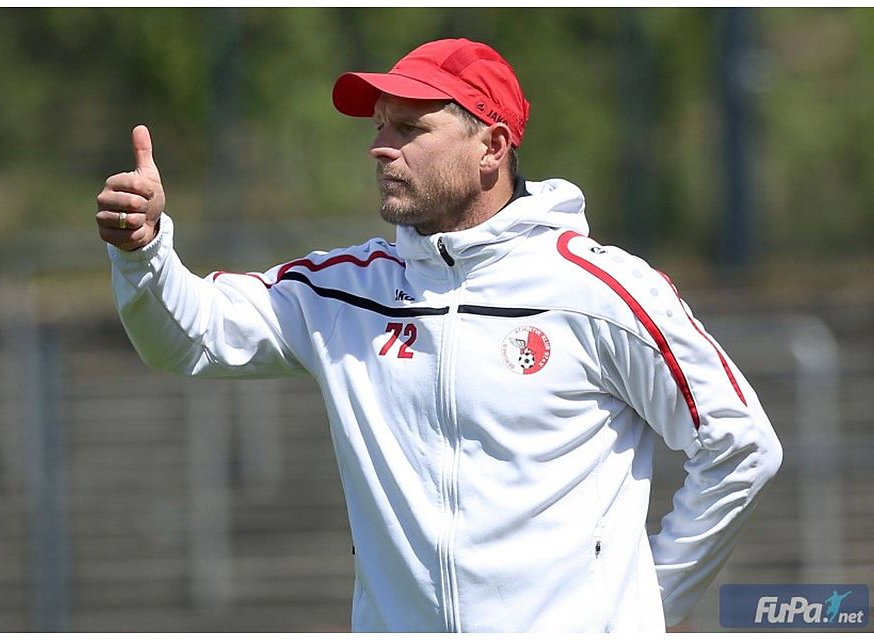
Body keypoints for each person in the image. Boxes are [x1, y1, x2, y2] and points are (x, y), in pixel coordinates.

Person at [96, 38, 782, 632]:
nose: (380, 146)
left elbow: (741, 443)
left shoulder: (600, 290)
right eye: (378, 126)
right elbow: (189, 337)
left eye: (409, 128)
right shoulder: (343, 289)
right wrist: (143, 250)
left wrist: (647, 603)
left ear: (492, 147)